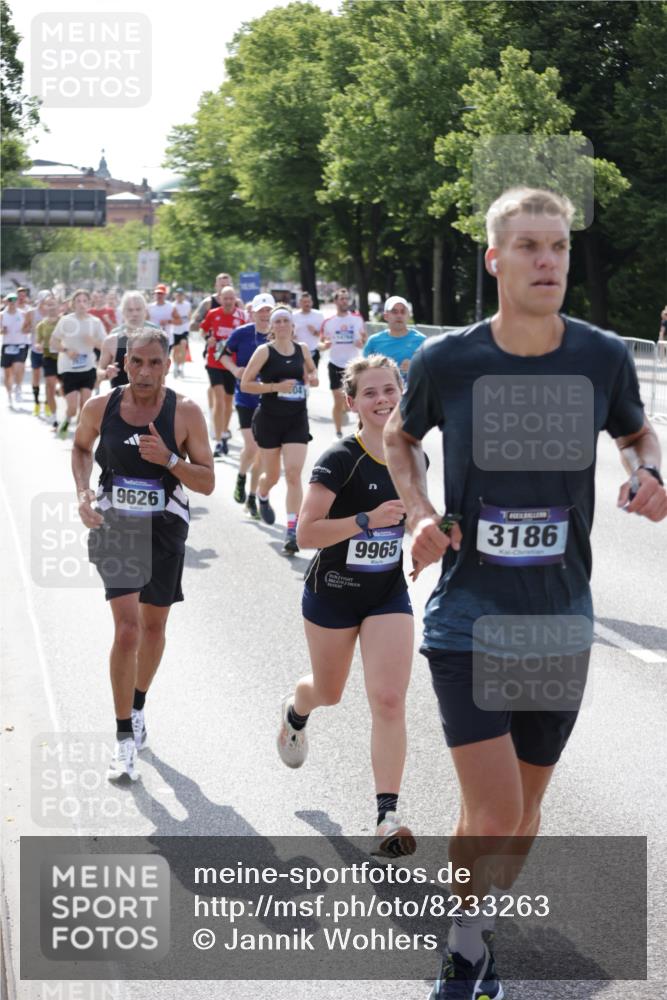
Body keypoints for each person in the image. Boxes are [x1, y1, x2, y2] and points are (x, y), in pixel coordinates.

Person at [384, 186, 667, 1000]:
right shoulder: (449, 360)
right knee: (496, 810)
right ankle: (463, 952)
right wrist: (421, 512)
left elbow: (634, 431)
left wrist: (647, 470)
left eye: (559, 247)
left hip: (557, 619)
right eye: (529, 246)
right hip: (468, 617)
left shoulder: (600, 356)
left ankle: (473, 929)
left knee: (520, 812)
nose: (548, 261)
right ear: (494, 259)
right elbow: (401, 438)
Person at [277, 355, 416, 858]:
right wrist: (366, 520)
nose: (382, 400)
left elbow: (415, 516)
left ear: (401, 392)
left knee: (389, 699)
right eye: (370, 393)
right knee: (329, 692)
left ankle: (387, 816)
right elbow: (307, 533)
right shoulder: (339, 459)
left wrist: (427, 536)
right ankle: (297, 711)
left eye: (389, 389)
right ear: (351, 402)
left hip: (387, 594)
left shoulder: (412, 455)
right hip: (333, 592)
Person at [72, 328, 214, 781]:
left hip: (165, 529)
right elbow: (81, 447)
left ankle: (136, 706)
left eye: (155, 362)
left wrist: (169, 460)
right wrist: (83, 493)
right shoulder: (101, 406)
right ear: (125, 362)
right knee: (128, 629)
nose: (145, 371)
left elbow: (207, 482)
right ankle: (122, 740)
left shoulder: (185, 412)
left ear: (168, 364)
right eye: (137, 361)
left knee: (153, 628)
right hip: (116, 527)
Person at [240, 304, 318, 552]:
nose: (282, 325)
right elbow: (245, 384)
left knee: (293, 474)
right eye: (278, 321)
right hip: (269, 420)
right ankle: (262, 495)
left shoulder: (302, 348)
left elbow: (312, 370)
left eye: (286, 320)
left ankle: (292, 530)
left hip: (296, 418)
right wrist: (276, 387)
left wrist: (313, 377)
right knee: (272, 476)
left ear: (293, 325)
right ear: (272, 327)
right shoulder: (264, 351)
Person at [218, 292, 275, 518]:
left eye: (268, 310)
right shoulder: (241, 333)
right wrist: (235, 370)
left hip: (270, 401)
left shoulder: (279, 335)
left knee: (261, 452)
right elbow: (223, 355)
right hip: (245, 398)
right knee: (251, 447)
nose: (265, 315)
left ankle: (251, 497)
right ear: (252, 313)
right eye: (261, 311)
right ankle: (241, 476)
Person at [50, 289, 106, 438]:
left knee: (85, 404)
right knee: (73, 407)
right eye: (78, 301)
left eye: (85, 301)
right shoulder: (66, 320)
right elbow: (53, 341)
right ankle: (67, 420)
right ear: (73, 304)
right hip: (68, 368)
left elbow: (105, 345)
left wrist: (93, 342)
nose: (82, 304)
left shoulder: (95, 322)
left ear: (89, 303)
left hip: (88, 367)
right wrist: (66, 350)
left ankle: (79, 435)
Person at [200, 286, 246, 456]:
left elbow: (247, 336)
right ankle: (218, 440)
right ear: (220, 299)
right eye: (225, 298)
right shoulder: (213, 314)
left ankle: (224, 431)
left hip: (232, 365)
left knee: (228, 402)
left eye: (231, 298)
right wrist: (208, 338)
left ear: (235, 299)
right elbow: (203, 329)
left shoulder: (242, 316)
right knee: (219, 400)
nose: (228, 301)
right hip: (214, 361)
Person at [320, 288, 365, 438]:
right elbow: (322, 342)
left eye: (346, 299)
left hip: (353, 365)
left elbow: (364, 339)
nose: (345, 301)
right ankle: (338, 433)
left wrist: (361, 342)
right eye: (342, 299)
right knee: (338, 400)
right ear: (336, 301)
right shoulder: (329, 322)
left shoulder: (357, 319)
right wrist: (325, 345)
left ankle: (361, 434)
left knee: (356, 400)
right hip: (335, 364)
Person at [98, 291, 159, 390]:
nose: (134, 314)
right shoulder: (112, 340)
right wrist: (106, 373)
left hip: (150, 397)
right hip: (119, 398)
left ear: (145, 311)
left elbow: (163, 373)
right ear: (123, 312)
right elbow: (99, 371)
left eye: (138, 309)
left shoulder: (156, 338)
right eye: (130, 310)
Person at [363, 295, 426, 385]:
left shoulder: (422, 340)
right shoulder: (373, 341)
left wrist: (415, 367)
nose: (399, 316)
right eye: (394, 312)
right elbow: (363, 372)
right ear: (386, 316)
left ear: (408, 315)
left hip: (413, 392)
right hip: (383, 392)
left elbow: (432, 371)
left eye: (403, 312)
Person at [23, 290, 52, 415]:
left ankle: (47, 404)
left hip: (50, 351)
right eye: (45, 298)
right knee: (36, 376)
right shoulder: (31, 313)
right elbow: (24, 329)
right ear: (40, 299)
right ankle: (36, 403)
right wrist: (32, 328)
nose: (47, 301)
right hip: (36, 350)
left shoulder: (53, 312)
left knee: (49, 379)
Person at [33, 295, 61, 426]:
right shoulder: (41, 325)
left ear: (58, 306)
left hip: (64, 359)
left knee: (64, 388)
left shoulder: (64, 322)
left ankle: (60, 394)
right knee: (50, 385)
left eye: (53, 304)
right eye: (49, 305)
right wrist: (38, 346)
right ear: (45, 307)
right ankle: (54, 417)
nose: (51, 307)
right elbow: (37, 342)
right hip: (48, 358)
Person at [1, 292, 30, 407]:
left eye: (14, 300)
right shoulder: (2, 315)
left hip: (20, 344)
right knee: (8, 374)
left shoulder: (23, 314)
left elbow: (28, 328)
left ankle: (18, 387)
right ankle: (9, 395)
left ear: (17, 301)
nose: (12, 302)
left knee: (18, 368)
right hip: (7, 345)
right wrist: (2, 331)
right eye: (10, 300)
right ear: (6, 301)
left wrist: (26, 330)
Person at [292, 291, 325, 369]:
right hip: (298, 352)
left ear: (312, 302)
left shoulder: (319, 315)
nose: (307, 304)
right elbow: (289, 333)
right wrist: (292, 336)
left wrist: (315, 332)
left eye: (309, 301)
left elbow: (324, 335)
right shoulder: (293, 316)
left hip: (314, 351)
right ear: (300, 303)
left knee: (313, 374)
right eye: (304, 302)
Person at [147, 285, 179, 349]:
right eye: (158, 293)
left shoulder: (171, 307)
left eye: (161, 293)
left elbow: (179, 321)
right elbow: (145, 322)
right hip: (153, 339)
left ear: (165, 294)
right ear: (155, 294)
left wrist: (168, 321)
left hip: (167, 339)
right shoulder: (149, 307)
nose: (159, 295)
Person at [171, 288, 192, 377]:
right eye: (178, 295)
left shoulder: (187, 304)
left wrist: (183, 321)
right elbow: (171, 318)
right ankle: (176, 366)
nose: (179, 296)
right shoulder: (172, 305)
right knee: (176, 350)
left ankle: (182, 368)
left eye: (181, 295)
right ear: (175, 295)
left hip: (184, 330)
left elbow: (189, 316)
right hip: (174, 330)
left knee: (183, 346)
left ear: (183, 296)